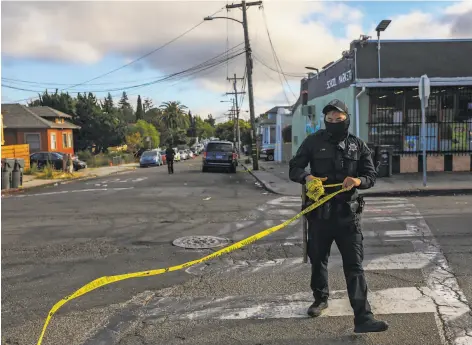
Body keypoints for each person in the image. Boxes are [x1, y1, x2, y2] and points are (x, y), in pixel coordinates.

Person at [289, 99, 388, 333]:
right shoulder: (313, 141)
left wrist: (357, 181)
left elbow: (370, 177)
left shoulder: (358, 145)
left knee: (354, 266)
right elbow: (294, 167)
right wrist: (307, 178)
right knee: (318, 260)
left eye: (338, 119)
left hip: (348, 216)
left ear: (347, 119)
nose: (333, 122)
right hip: (320, 214)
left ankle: (363, 318)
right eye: (329, 119)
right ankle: (320, 299)